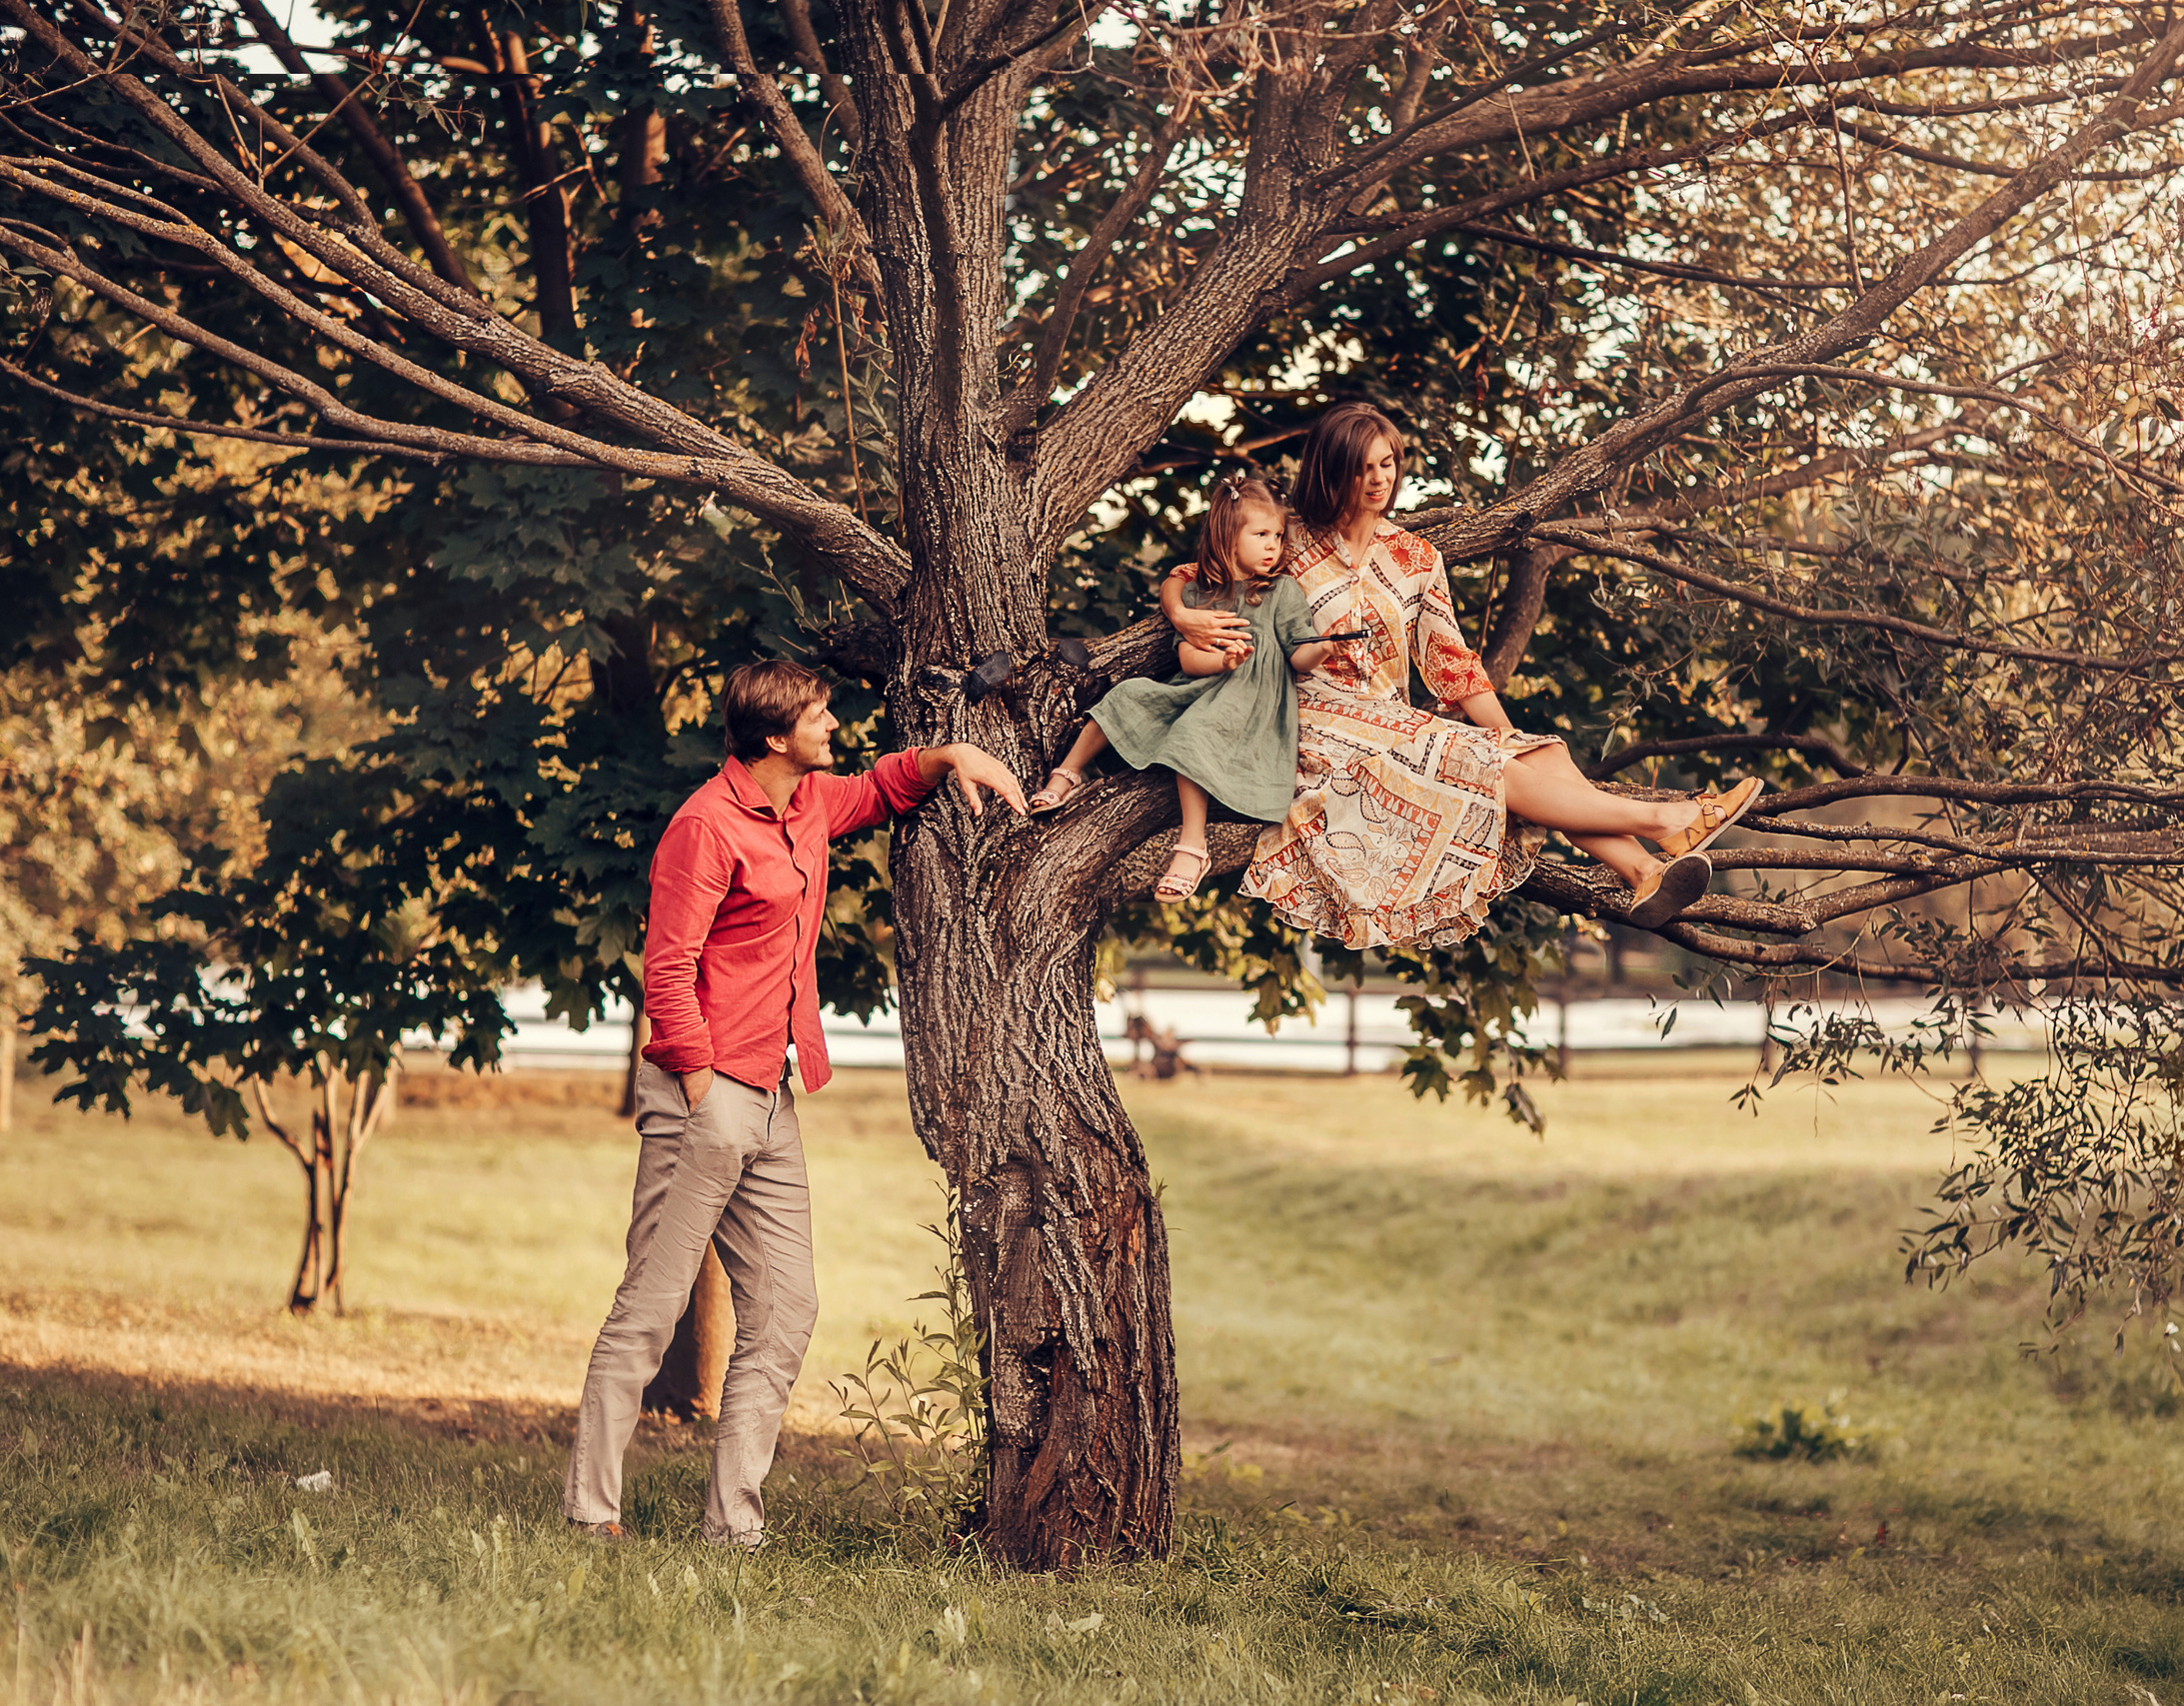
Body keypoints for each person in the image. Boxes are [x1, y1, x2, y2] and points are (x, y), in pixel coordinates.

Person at [562, 659, 1024, 1546]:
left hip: (771, 1097)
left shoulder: (807, 802)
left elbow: (880, 789)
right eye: (817, 713)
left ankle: (732, 1525)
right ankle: (591, 1513)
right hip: (703, 1096)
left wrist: (950, 756)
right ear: (775, 736)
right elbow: (667, 970)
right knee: (651, 1307)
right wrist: (703, 1089)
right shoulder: (704, 826)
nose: (832, 721)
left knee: (784, 1311)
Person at [1179, 403, 1760, 947]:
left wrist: (1506, 736)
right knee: (1480, 759)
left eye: (1387, 464)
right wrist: (1182, 614)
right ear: (1332, 471)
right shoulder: (1287, 540)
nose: (1379, 480)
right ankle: (1668, 819)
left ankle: (1643, 872)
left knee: (1537, 753)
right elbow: (1195, 572)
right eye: (1362, 468)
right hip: (1305, 722)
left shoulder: (1415, 558)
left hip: (1388, 721)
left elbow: (1451, 662)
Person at [1027, 476, 1361, 898]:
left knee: (1196, 730)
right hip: (1199, 687)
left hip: (1249, 703)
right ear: (1228, 536)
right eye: (1261, 535)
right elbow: (1187, 659)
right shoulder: (1197, 592)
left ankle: (1193, 845)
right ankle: (1069, 772)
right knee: (1126, 696)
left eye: (1278, 536)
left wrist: (1323, 648)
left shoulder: (1281, 591)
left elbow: (1298, 655)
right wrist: (1223, 661)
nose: (1273, 546)